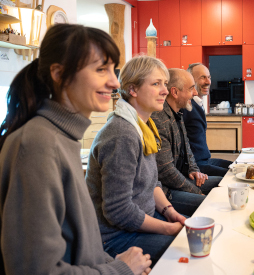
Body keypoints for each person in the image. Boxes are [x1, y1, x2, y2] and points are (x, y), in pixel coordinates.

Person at [0, 24, 151, 274]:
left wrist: (115, 263)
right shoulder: (37, 144)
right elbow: (35, 270)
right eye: (101, 69)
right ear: (59, 74)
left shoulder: (61, 138)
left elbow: (78, 246)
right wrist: (120, 270)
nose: (115, 82)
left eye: (113, 70)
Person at [86, 56, 186, 266]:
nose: (165, 91)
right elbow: (118, 212)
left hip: (140, 224)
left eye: (165, 84)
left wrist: (170, 212)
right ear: (133, 90)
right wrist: (168, 229)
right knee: (187, 253)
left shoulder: (144, 127)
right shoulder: (122, 134)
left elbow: (151, 185)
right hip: (115, 238)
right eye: (156, 84)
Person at [152, 68, 222, 216]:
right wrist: (196, 192)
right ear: (175, 92)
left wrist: (194, 170)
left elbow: (187, 148)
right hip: (167, 190)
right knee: (213, 205)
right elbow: (166, 172)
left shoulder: (177, 112)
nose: (195, 93)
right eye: (191, 88)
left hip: (181, 178)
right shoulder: (159, 119)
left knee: (223, 185)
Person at [183, 63, 231, 176]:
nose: (208, 82)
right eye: (202, 77)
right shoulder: (186, 106)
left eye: (209, 77)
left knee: (235, 166)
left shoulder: (197, 104)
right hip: (196, 165)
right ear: (190, 80)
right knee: (231, 176)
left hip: (205, 159)